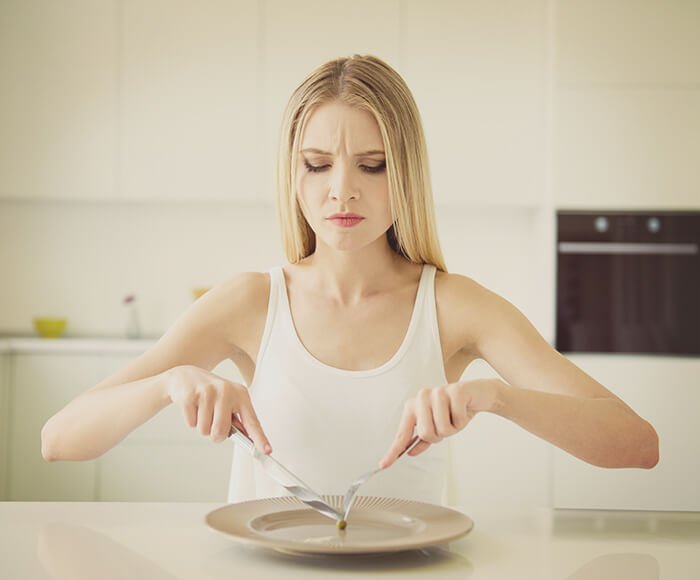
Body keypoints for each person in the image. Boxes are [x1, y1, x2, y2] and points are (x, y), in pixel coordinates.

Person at [41, 55, 659, 506]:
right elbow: (59, 438)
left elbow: (637, 443)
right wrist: (169, 384)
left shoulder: (454, 307)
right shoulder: (250, 302)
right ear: (294, 173)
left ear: (407, 172)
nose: (342, 190)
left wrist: (493, 397)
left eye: (372, 165)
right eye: (316, 165)